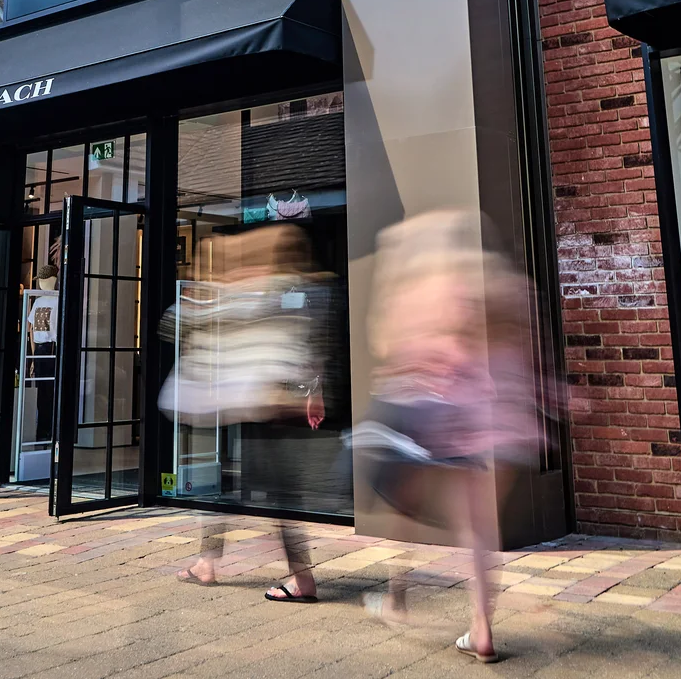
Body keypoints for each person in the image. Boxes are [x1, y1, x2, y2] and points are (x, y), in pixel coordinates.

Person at [356, 210, 542, 664]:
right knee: (479, 527)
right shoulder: (492, 285)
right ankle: (481, 627)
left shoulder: (417, 289)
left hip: (428, 418)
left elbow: (385, 346)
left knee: (400, 504)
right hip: (483, 419)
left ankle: (397, 599)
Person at [161, 223, 330, 604]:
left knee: (272, 493)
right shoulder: (291, 291)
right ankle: (209, 561)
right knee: (246, 487)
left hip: (256, 403)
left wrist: (201, 296)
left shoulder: (252, 292)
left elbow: (174, 324)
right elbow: (307, 345)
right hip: (258, 402)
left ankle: (300, 578)